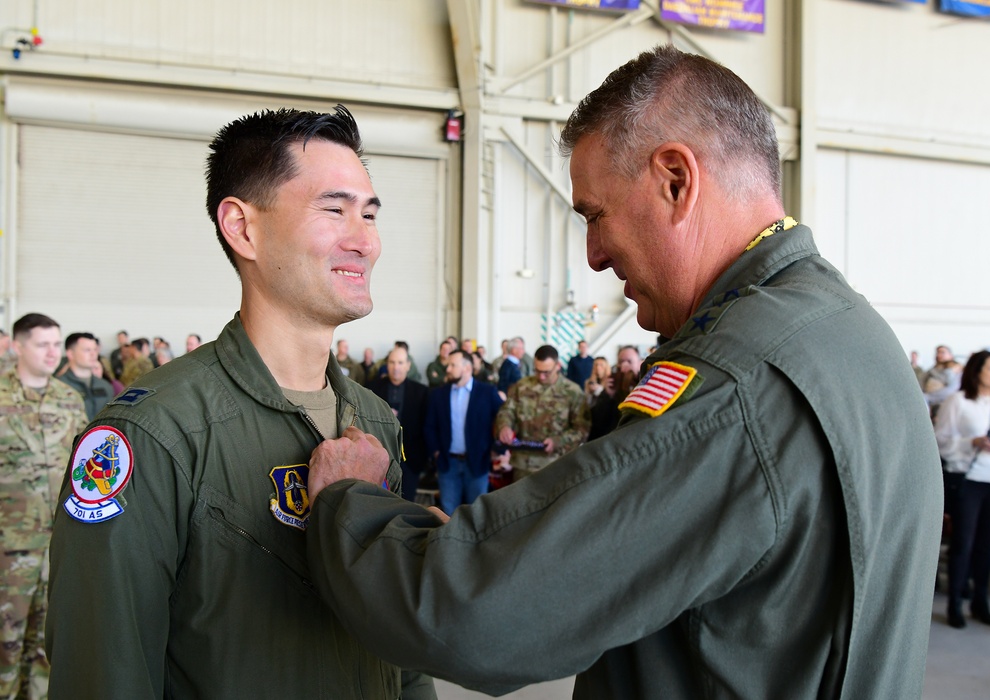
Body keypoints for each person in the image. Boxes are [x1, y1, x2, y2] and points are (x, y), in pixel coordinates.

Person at [303, 46, 941, 698]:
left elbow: (468, 615)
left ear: (674, 180)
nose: (594, 255)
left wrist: (348, 507)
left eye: (595, 216)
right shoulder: (850, 334)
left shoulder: (733, 385)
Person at [46, 107, 435, 699]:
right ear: (243, 227)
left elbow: (400, 643)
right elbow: (103, 670)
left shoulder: (374, 422)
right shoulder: (152, 434)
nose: (366, 241)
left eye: (371, 214)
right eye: (334, 210)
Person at [0, 313, 87, 699]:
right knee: (6, 637)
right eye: (43, 344)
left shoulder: (69, 399)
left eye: (56, 343)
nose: (53, 352)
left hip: (59, 544)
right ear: (18, 346)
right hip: (8, 546)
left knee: (48, 642)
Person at [936, 350, 990, 629]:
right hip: (967, 480)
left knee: (987, 547)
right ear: (976, 372)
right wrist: (972, 443)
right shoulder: (957, 401)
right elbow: (939, 441)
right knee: (963, 544)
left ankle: (980, 604)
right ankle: (955, 605)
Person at [494, 344, 591, 481]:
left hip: (556, 465)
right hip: (523, 465)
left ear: (557, 366)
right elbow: (507, 410)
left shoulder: (572, 392)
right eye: (537, 371)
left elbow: (582, 429)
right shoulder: (522, 386)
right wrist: (504, 426)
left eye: (546, 372)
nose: (541, 376)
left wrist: (558, 441)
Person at [424, 349, 504, 514]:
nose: (447, 369)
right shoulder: (439, 394)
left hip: (477, 463)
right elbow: (429, 426)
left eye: (453, 365)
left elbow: (504, 420)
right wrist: (436, 452)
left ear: (467, 368)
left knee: (477, 514)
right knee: (448, 514)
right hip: (448, 464)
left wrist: (498, 449)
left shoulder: (487, 392)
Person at [370, 347, 429, 501]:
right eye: (392, 362)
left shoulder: (421, 392)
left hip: (411, 461)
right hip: (379, 459)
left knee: (407, 505)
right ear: (386, 365)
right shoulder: (372, 388)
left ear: (408, 365)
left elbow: (426, 427)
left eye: (400, 363)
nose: (396, 367)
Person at [55, 332, 115, 420]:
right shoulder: (58, 386)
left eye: (95, 350)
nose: (93, 354)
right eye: (87, 350)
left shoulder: (105, 386)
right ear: (70, 354)